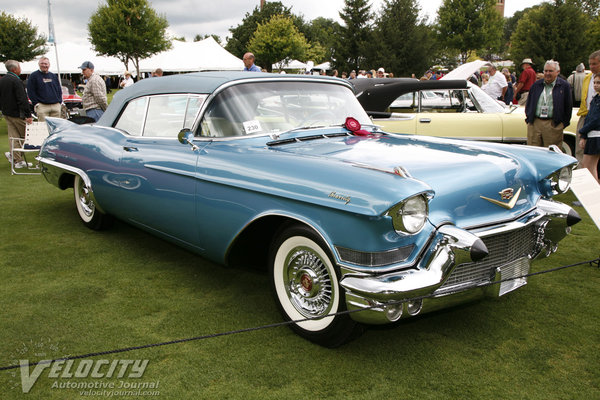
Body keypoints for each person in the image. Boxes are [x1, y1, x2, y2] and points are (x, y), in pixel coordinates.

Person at [524, 60, 573, 149]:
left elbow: (568, 106)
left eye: (550, 71)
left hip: (553, 124)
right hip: (535, 123)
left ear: (557, 72)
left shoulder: (564, 86)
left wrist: (561, 124)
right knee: (533, 151)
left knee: (551, 152)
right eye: (545, 71)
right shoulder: (536, 85)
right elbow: (529, 103)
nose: (547, 73)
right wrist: (529, 119)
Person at [0, 60, 33, 168]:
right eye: (19, 67)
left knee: (13, 137)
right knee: (26, 136)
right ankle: (15, 157)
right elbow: (22, 99)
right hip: (17, 114)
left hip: (7, 112)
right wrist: (28, 115)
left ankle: (16, 159)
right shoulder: (16, 81)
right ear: (14, 69)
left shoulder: (2, 80)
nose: (21, 69)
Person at [576, 50, 600, 165]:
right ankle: (583, 177)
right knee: (581, 149)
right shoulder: (588, 77)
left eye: (594, 64)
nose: (591, 66)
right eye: (590, 64)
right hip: (586, 115)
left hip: (597, 120)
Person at [578, 74, 600, 183]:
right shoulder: (596, 98)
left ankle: (594, 195)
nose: (596, 85)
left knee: (588, 167)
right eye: (594, 83)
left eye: (598, 83)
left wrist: (582, 130)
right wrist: (584, 135)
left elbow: (596, 119)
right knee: (589, 167)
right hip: (591, 135)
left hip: (597, 136)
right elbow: (589, 117)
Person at [26, 56, 62, 122]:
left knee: (56, 127)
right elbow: (30, 91)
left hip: (55, 105)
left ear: (49, 65)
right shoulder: (33, 76)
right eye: (42, 63)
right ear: (39, 64)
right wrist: (36, 103)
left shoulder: (53, 76)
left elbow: (59, 89)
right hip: (42, 106)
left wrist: (59, 101)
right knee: (43, 128)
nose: (44, 65)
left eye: (46, 64)